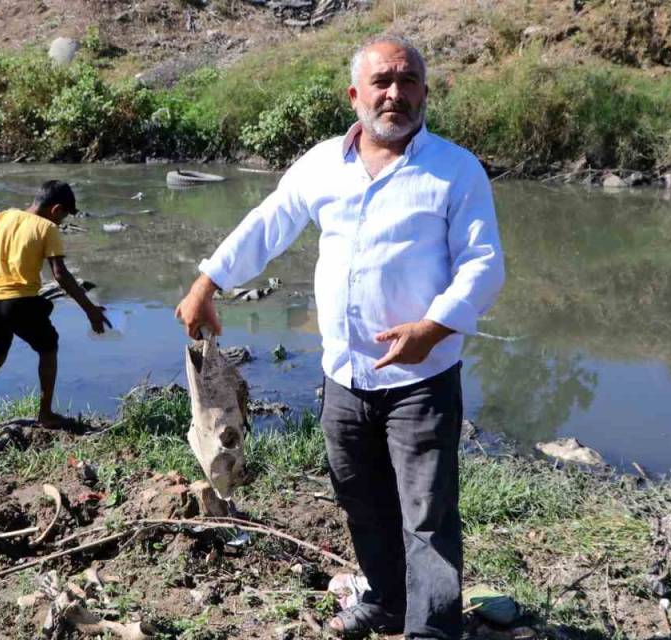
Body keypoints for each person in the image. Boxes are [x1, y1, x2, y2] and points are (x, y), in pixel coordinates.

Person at [174, 35, 505, 639]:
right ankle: (387, 601)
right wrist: (207, 282)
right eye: (382, 82)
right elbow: (269, 223)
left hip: (421, 376)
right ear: (356, 95)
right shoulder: (323, 162)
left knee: (427, 513)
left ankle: (432, 628)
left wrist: (432, 329)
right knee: (360, 500)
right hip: (344, 377)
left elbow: (483, 265)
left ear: (425, 93)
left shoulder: (455, 169)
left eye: (408, 81)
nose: (395, 94)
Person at [0, 180, 110, 435]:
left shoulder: (4, 216)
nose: (62, 222)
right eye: (64, 216)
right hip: (21, 302)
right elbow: (60, 274)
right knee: (49, 347)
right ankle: (45, 413)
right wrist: (90, 310)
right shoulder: (48, 228)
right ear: (56, 210)